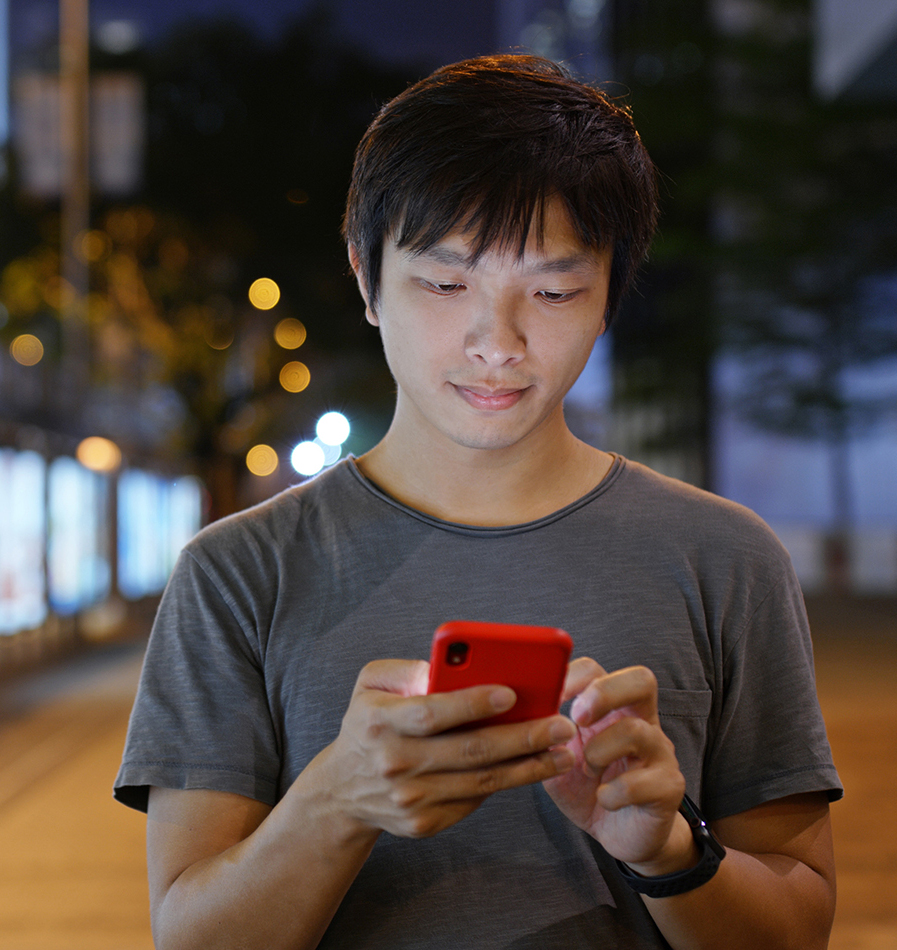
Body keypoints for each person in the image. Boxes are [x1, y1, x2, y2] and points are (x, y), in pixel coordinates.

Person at [115, 54, 841, 950]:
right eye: (446, 283)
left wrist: (668, 849)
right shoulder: (237, 574)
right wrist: (338, 802)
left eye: (554, 290)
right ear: (365, 277)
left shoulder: (726, 559)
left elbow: (798, 926)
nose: (497, 342)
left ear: (611, 293)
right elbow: (191, 938)